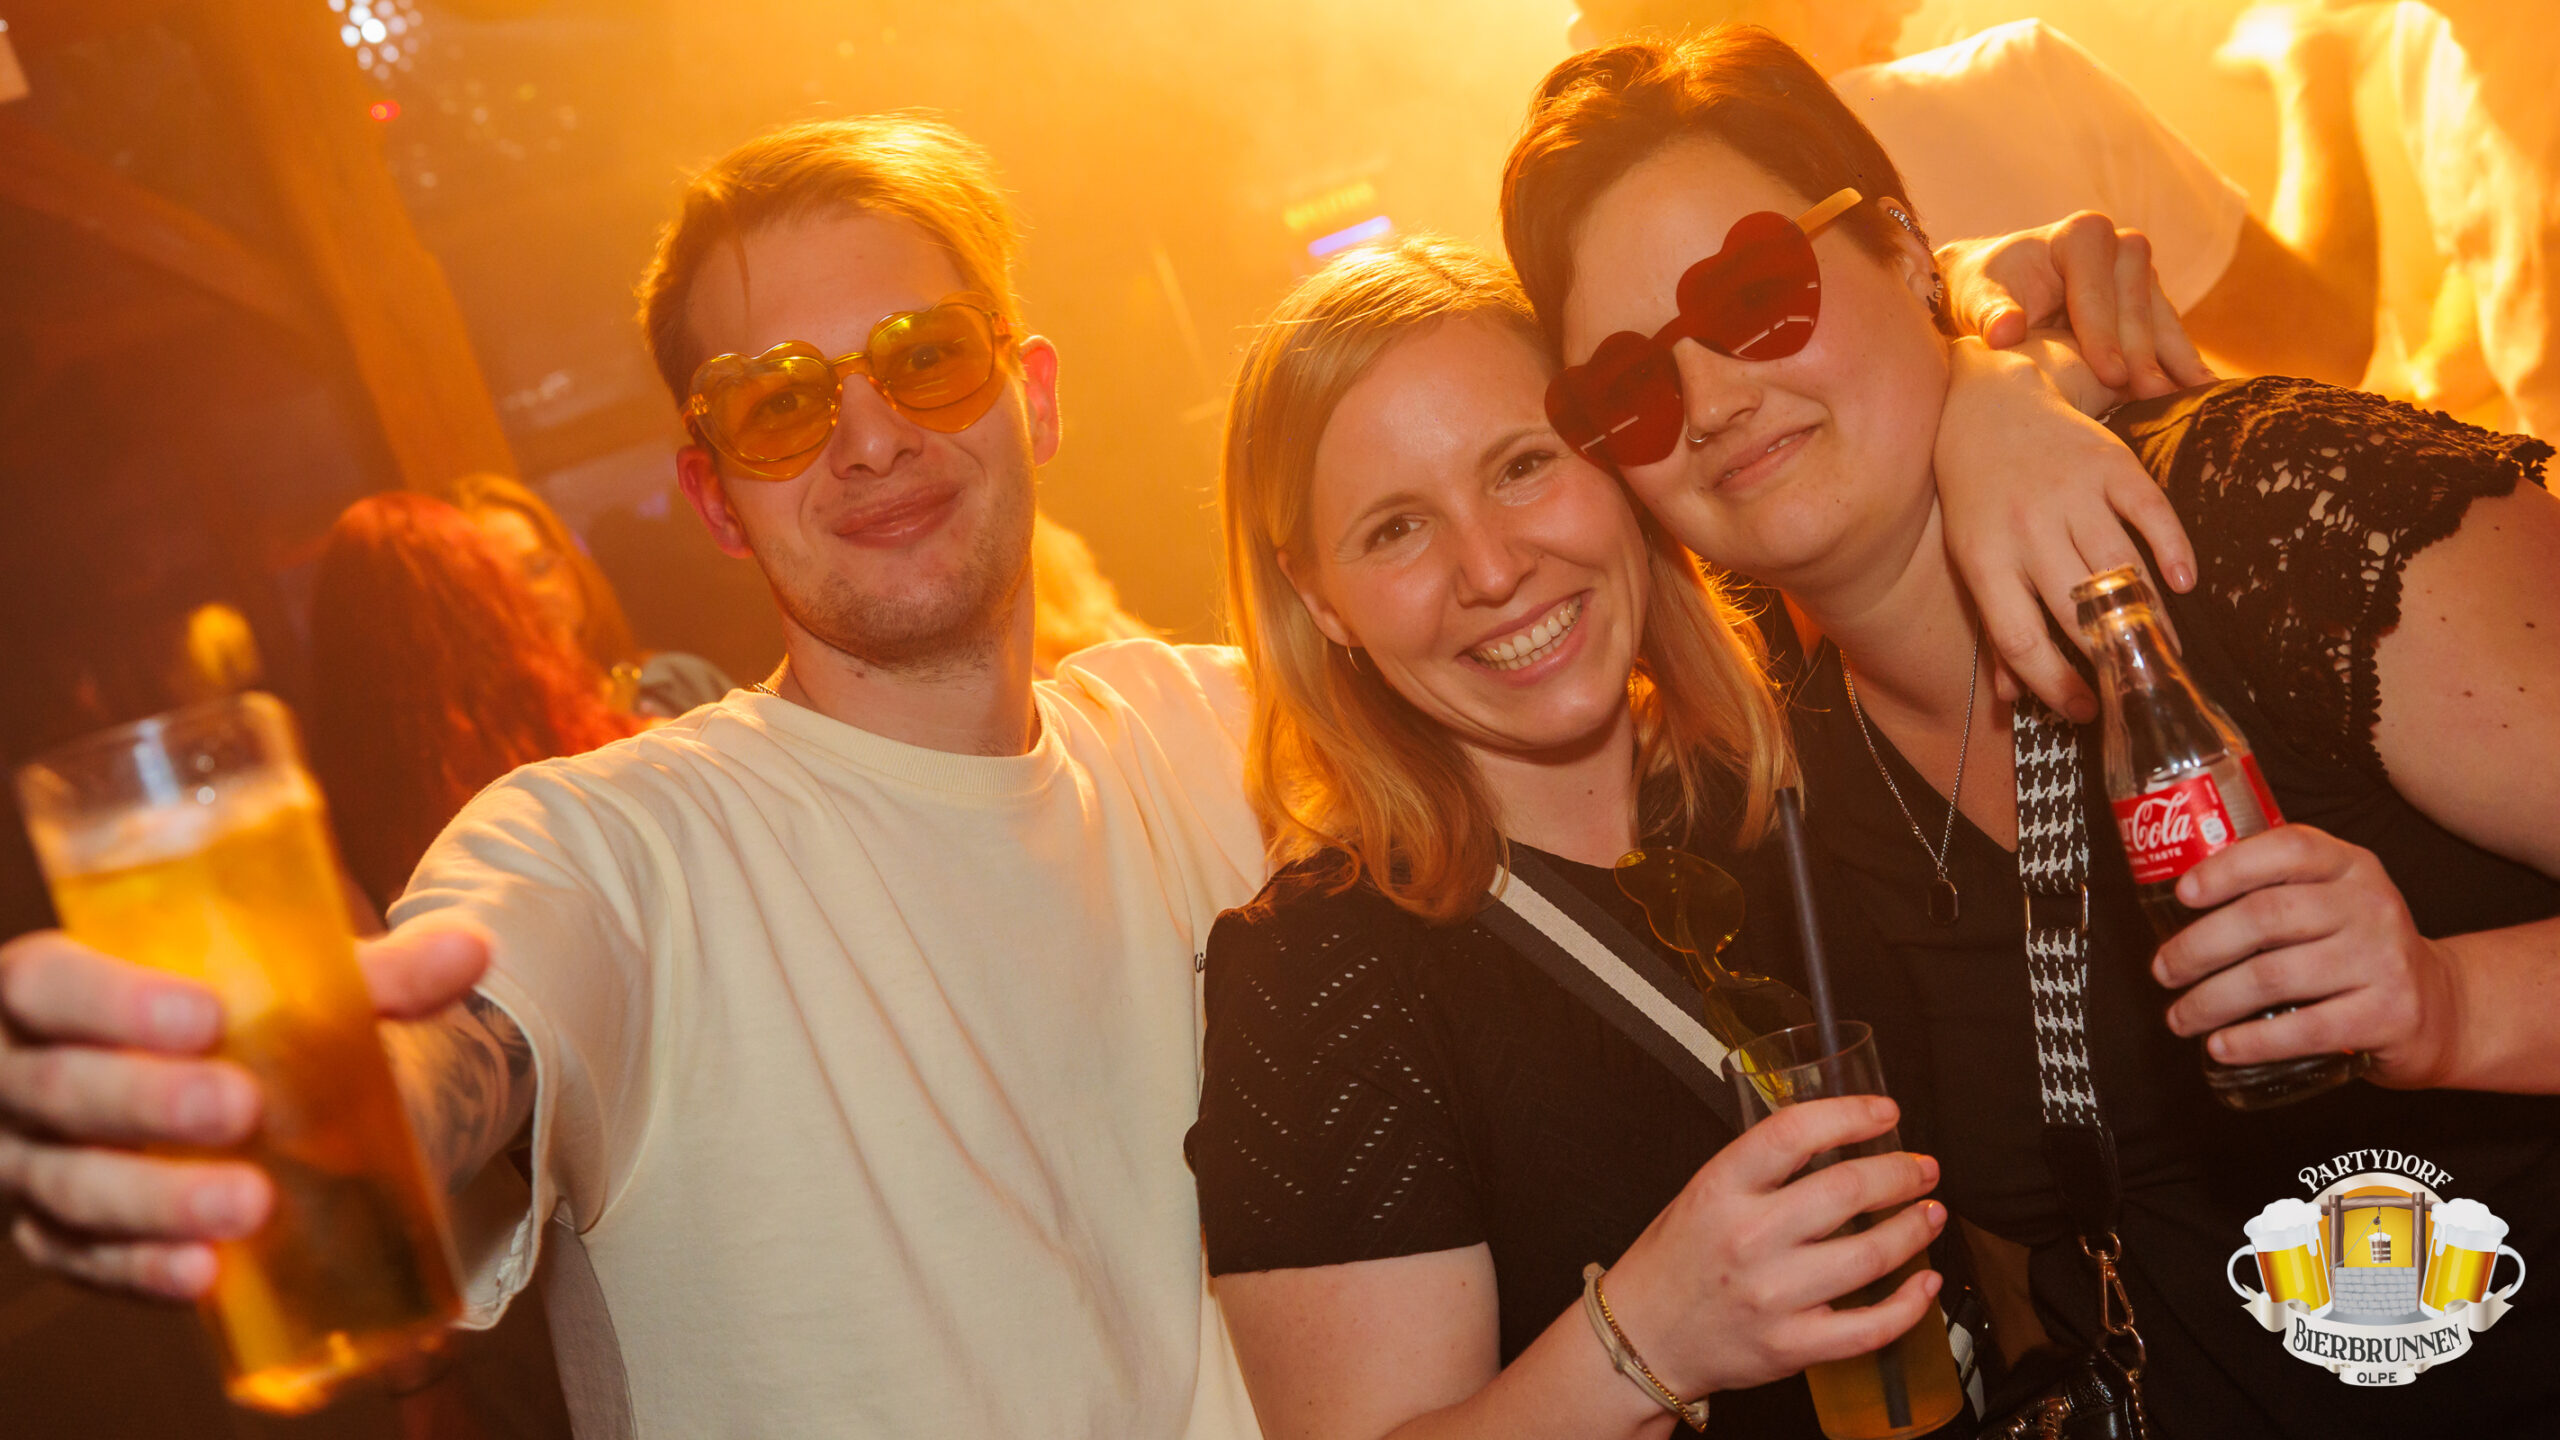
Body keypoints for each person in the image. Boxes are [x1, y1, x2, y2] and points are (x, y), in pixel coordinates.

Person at [0, 103, 2216, 1437]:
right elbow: (473, 1035)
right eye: (778, 403)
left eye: (919, 354)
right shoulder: (623, 846)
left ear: (1031, 392)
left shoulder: (1213, 728)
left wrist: (1975, 377)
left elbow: (1576, 480)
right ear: (707, 494)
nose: (868, 435)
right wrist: (290, 1102)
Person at [1500, 29, 2560, 1436]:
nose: (1708, 402)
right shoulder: (1784, 770)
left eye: (1754, 294)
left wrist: (2454, 1003)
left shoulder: (2274, 519)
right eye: (1628, 385)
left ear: (1904, 253)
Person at [1190, 236, 1969, 1439]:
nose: (1491, 569)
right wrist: (1649, 1336)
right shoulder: (1321, 973)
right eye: (1396, 529)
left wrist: (2006, 398)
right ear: (1317, 599)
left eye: (1521, 466)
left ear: (1614, 460)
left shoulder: (1812, 748)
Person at [1568, 0, 2378, 388]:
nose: (1909, 5)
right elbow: (2325, 341)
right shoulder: (2019, 82)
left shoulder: (1595, 293)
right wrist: (2310, 68)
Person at [305, 492, 640, 917]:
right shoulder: (608, 747)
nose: (530, 598)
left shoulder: (329, 834)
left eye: (537, 568)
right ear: (483, 611)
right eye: (503, 581)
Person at [448, 471, 735, 718]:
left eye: (539, 567)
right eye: (499, 586)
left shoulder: (677, 685)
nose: (532, 596)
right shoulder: (498, 753)